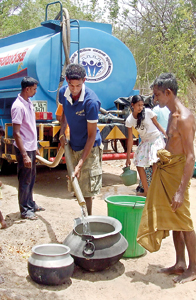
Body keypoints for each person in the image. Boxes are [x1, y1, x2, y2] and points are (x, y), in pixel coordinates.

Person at [137, 73, 196, 284]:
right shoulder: (170, 115)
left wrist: (181, 190)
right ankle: (180, 263)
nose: (155, 99)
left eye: (157, 95)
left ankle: (194, 268)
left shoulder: (185, 117)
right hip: (167, 171)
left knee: (185, 222)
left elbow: (190, 157)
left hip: (178, 175)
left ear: (168, 93)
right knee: (174, 220)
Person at [59, 63, 103, 215]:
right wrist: (62, 132)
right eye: (71, 85)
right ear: (66, 80)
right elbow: (62, 114)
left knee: (86, 191)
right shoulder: (63, 93)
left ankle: (88, 224)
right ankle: (84, 222)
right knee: (76, 187)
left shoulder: (91, 102)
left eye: (78, 85)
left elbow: (91, 136)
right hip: (73, 145)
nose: (74, 90)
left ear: (84, 81)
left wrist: (80, 163)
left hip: (90, 148)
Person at [11, 77, 45, 220]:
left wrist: (35, 145)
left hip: (30, 147)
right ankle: (25, 210)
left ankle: (30, 203)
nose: (35, 91)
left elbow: (30, 126)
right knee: (24, 179)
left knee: (31, 178)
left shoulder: (28, 102)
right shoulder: (18, 106)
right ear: (27, 89)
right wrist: (24, 155)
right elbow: (16, 133)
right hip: (23, 148)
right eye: (34, 89)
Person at [125, 95, 166, 196]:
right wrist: (127, 157)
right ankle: (147, 191)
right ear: (132, 105)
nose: (140, 107)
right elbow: (130, 139)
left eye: (142, 105)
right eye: (138, 105)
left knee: (155, 162)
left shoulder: (148, 112)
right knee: (139, 164)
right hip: (145, 142)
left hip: (156, 139)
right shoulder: (129, 120)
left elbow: (157, 124)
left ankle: (154, 189)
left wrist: (166, 135)